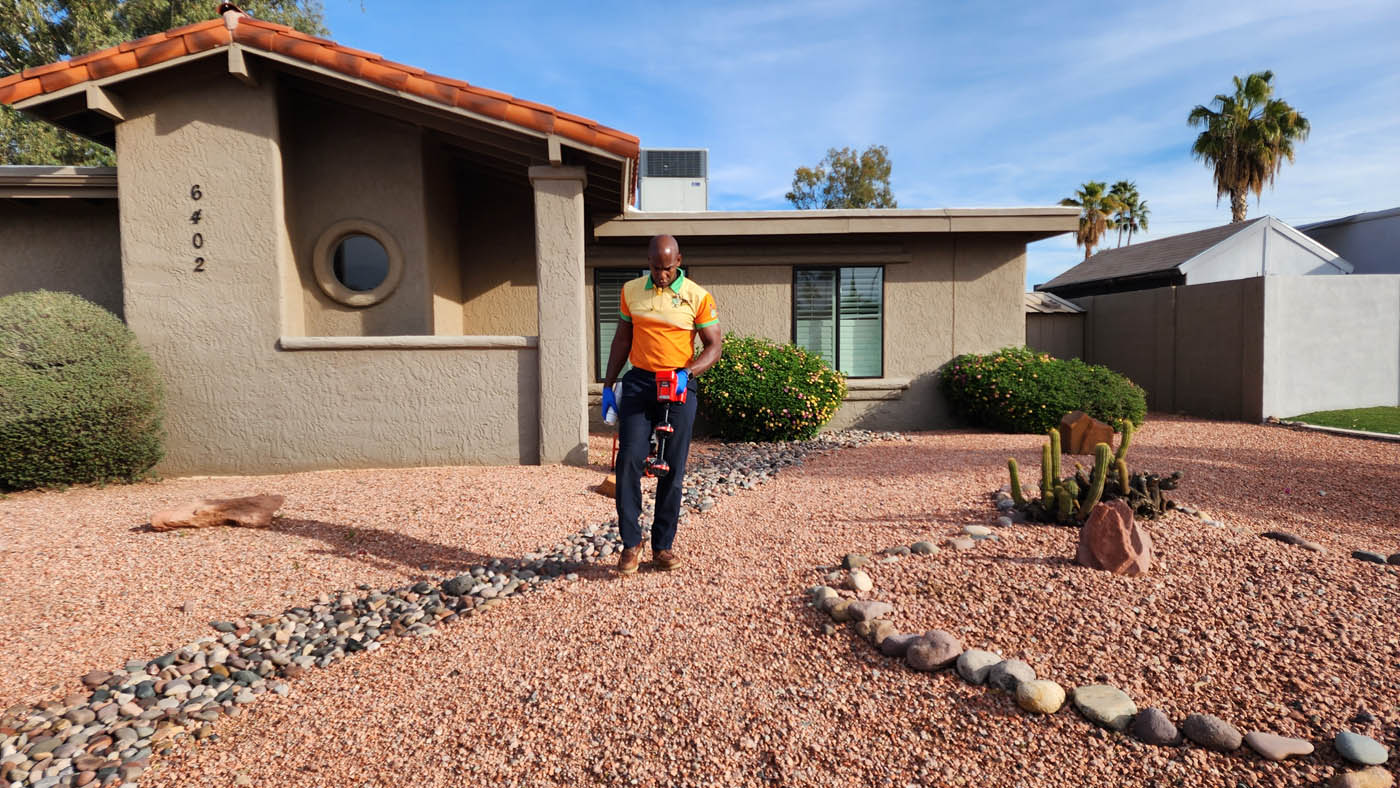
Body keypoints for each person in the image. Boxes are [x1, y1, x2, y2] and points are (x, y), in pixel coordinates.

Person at [600, 234, 721, 575]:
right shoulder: (631, 291)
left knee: (673, 468)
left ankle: (662, 546)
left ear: (678, 261)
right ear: (648, 261)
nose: (661, 274)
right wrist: (609, 385)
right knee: (628, 461)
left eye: (667, 268)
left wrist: (688, 372)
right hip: (639, 383)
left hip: (679, 386)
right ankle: (630, 543)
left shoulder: (697, 296)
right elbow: (622, 338)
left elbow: (714, 346)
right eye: (655, 267)